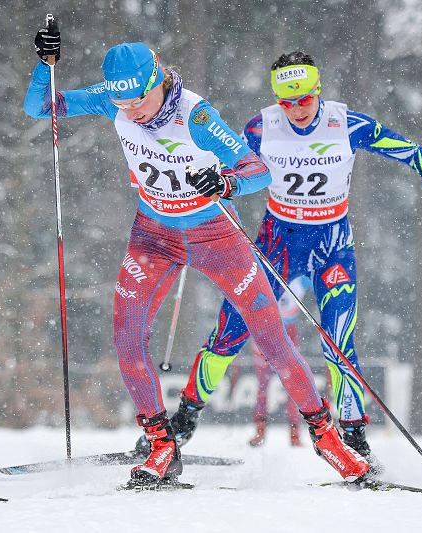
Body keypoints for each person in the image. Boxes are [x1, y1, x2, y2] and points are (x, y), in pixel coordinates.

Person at [25, 28, 369, 487]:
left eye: (139, 102)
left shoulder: (197, 116)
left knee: (272, 340)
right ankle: (162, 445)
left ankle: (329, 440)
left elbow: (258, 170)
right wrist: (44, 66)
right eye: (122, 104)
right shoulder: (114, 100)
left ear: (158, 81)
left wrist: (226, 183)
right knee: (127, 338)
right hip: (153, 235)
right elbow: (39, 107)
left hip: (214, 235)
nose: (132, 112)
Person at [142, 51, 422, 476]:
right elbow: (221, 161)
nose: (295, 110)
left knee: (338, 341)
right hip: (279, 242)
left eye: (304, 100)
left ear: (317, 91)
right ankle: (183, 420)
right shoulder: (261, 126)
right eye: (286, 102)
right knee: (230, 332)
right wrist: (208, 183)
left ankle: (354, 435)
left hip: (332, 244)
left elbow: (409, 150)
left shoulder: (347, 124)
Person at [248, 277, 309, 447]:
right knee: (262, 384)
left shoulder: (300, 276)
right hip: (263, 330)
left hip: (287, 332)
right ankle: (260, 431)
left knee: (292, 385)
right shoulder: (263, 273)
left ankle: (294, 433)